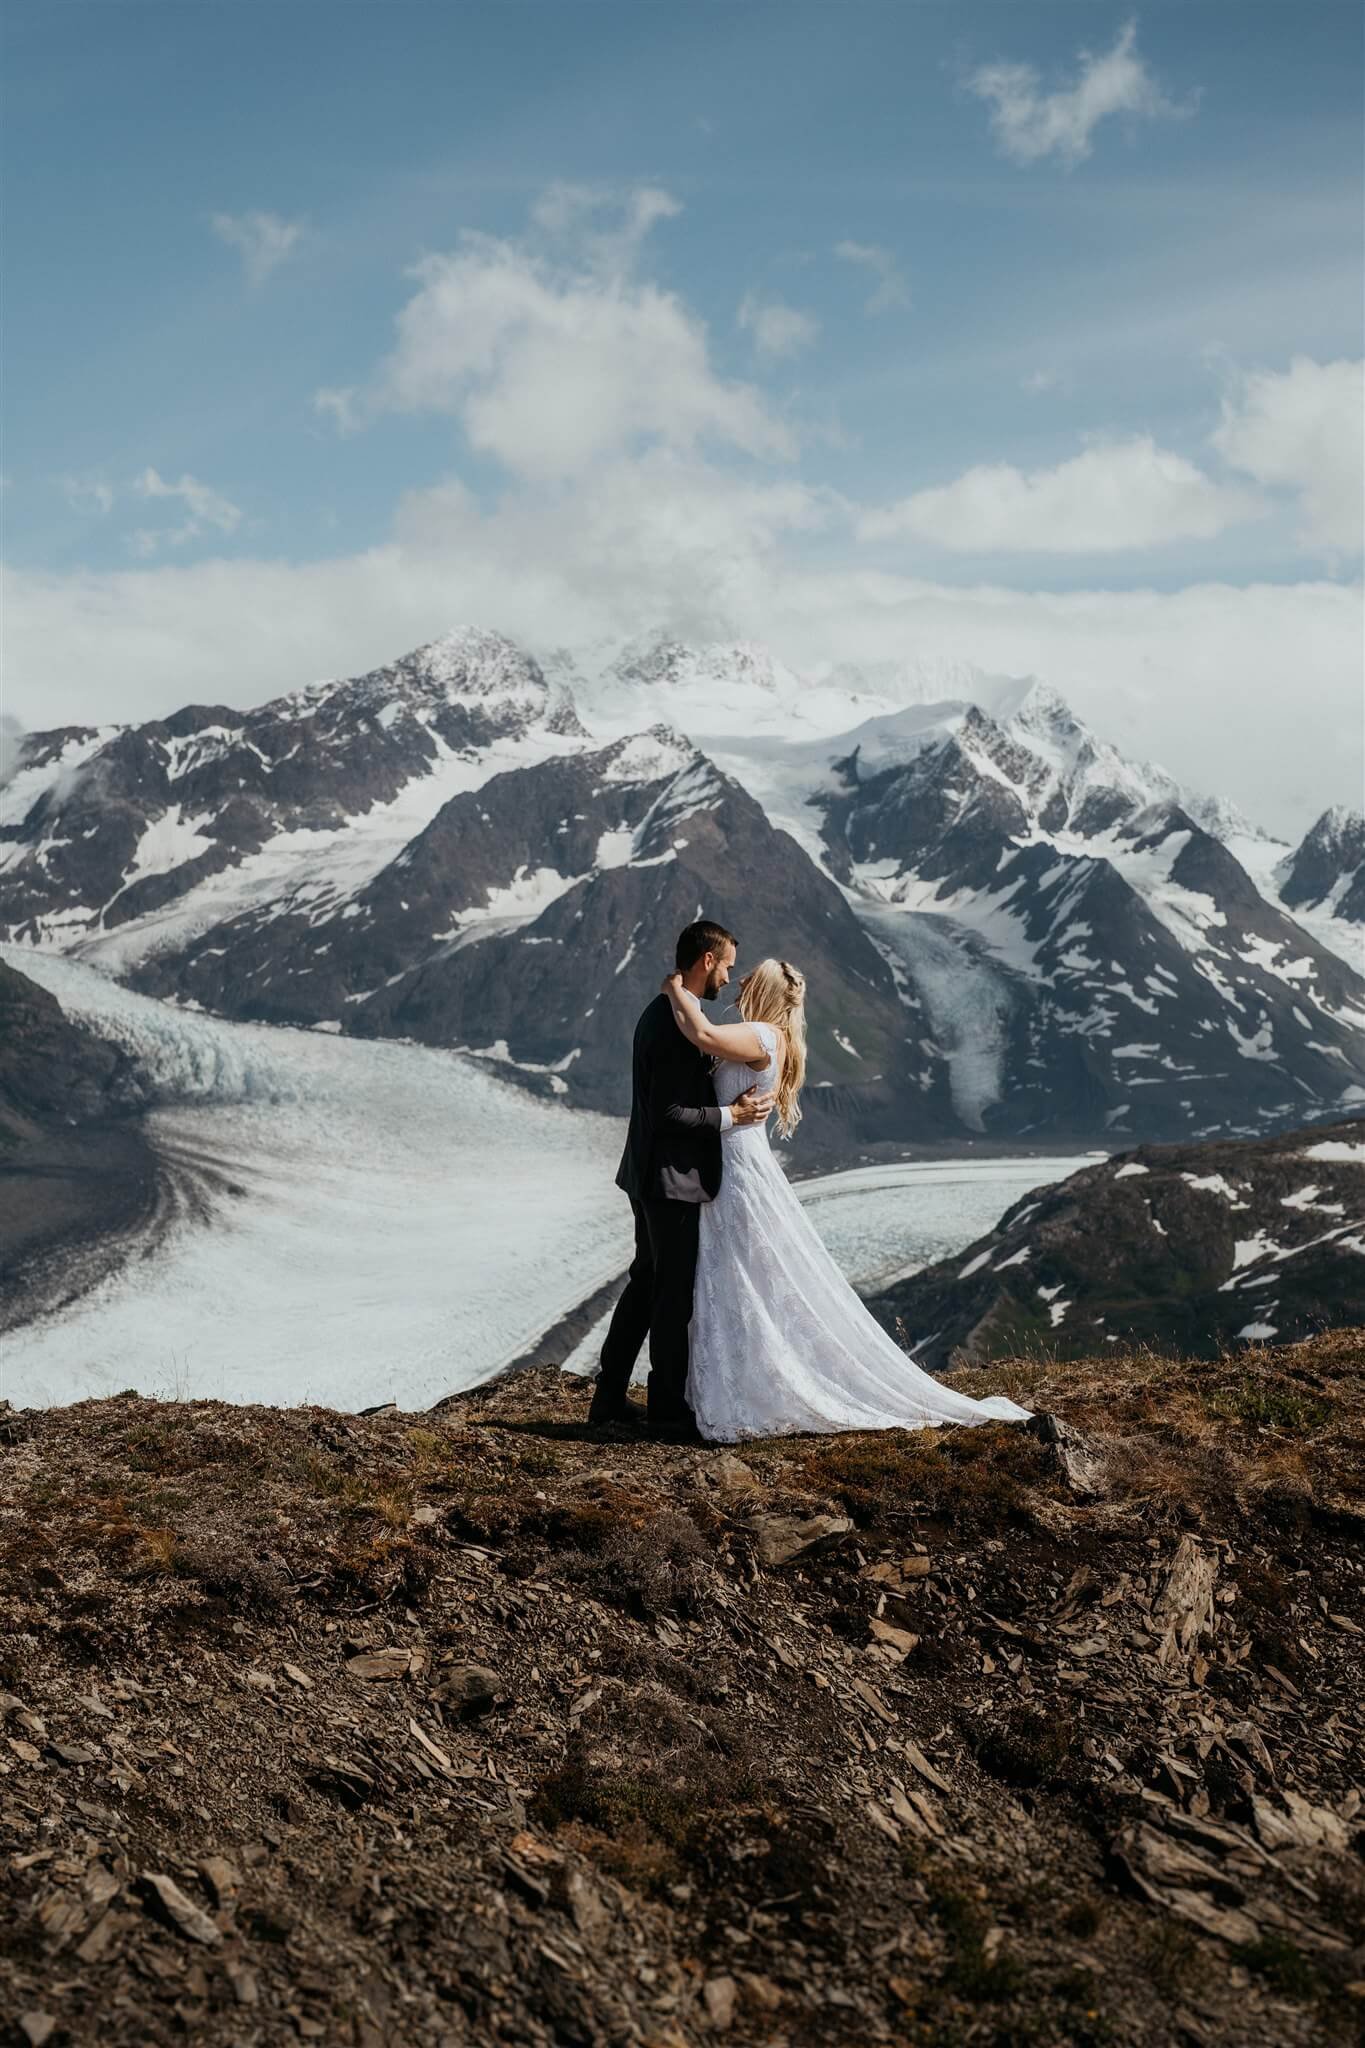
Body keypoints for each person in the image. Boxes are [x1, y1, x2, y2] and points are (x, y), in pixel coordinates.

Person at [658, 956, 1032, 1442]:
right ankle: (742, 1378)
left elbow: (704, 1036)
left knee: (741, 1271)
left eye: (751, 978)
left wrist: (674, 991)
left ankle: (749, 1383)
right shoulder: (774, 1036)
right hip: (735, 1159)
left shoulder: (762, 1035)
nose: (741, 980)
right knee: (739, 1272)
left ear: (766, 992)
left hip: (737, 1163)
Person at [589, 919, 774, 1442]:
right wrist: (730, 1118)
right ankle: (668, 1408)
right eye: (727, 966)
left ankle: (608, 1397)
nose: (728, 979)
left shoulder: (667, 1012)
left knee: (646, 1284)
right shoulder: (672, 1024)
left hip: (648, 1174)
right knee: (671, 1296)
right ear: (707, 960)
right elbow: (671, 1112)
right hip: (669, 1181)